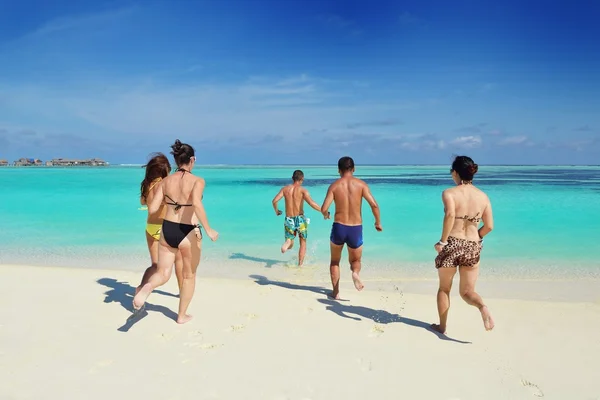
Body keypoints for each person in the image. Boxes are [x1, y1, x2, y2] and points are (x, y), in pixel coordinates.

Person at [133, 140, 219, 324]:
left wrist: (171, 203)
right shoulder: (198, 181)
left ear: (176, 160)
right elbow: (196, 203)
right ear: (192, 160)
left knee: (163, 272)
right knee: (189, 275)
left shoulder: (165, 181)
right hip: (187, 231)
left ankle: (147, 287)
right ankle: (181, 316)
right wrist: (209, 229)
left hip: (167, 229)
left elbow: (153, 208)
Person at [432, 155, 494, 334]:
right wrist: (477, 238)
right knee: (467, 292)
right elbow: (489, 226)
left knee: (444, 288)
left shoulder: (449, 193)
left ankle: (442, 327)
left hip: (452, 242)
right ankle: (482, 307)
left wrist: (443, 241)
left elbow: (450, 215)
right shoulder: (483, 197)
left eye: (452, 171)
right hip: (473, 245)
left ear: (456, 173)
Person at [137, 153, 200, 296]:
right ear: (165, 170)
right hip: (165, 228)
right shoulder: (164, 184)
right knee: (178, 261)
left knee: (155, 265)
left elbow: (143, 202)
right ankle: (181, 290)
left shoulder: (147, 185)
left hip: (150, 227)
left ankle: (141, 287)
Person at [320, 157, 382, 299]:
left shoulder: (334, 186)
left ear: (338, 170)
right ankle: (355, 273)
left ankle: (335, 293)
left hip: (339, 227)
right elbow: (374, 205)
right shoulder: (361, 185)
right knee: (355, 261)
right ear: (353, 169)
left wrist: (326, 214)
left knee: (335, 261)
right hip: (355, 229)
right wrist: (378, 222)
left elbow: (324, 208)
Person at [271, 170, 322, 266]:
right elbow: (311, 203)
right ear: (302, 179)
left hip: (289, 219)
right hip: (300, 219)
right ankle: (300, 265)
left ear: (292, 178)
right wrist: (323, 211)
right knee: (303, 243)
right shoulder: (303, 191)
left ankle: (288, 242)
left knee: (290, 242)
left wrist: (277, 211)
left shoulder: (285, 189)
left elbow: (274, 201)